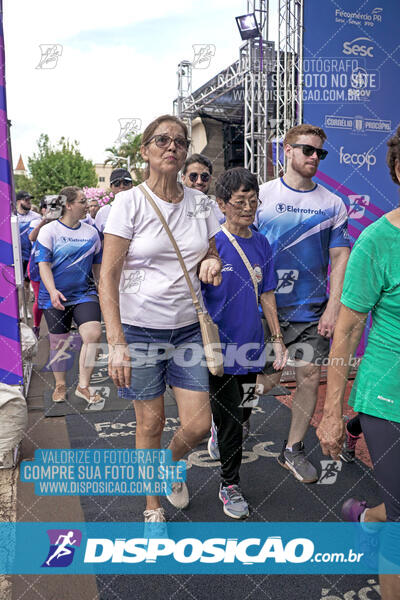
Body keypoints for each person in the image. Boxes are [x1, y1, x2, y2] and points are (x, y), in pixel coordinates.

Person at [99, 114, 222, 524]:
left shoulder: (200, 203)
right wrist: (116, 343)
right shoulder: (128, 202)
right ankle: (152, 507)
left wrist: (211, 263)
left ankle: (166, 466)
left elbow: (212, 251)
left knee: (200, 425)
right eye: (162, 140)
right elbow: (109, 276)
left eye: (180, 142)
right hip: (140, 330)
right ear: (145, 151)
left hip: (189, 329)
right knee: (151, 422)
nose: (172, 147)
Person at [317, 127, 400, 600]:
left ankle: (367, 516)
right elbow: (347, 331)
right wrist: (332, 411)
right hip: (388, 395)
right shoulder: (377, 241)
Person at [256, 124, 350, 483]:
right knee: (264, 382)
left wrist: (333, 307)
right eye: (307, 150)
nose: (314, 157)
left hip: (310, 311)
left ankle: (292, 449)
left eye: (319, 153)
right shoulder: (261, 196)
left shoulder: (332, 203)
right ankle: (230, 426)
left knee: (310, 375)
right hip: (264, 310)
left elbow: (340, 258)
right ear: (287, 151)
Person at [202, 167, 287, 519]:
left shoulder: (263, 243)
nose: (248, 208)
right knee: (233, 422)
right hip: (220, 348)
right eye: (240, 202)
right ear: (221, 204)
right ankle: (229, 484)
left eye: (253, 201)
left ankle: (219, 429)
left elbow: (267, 293)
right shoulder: (210, 242)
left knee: (247, 411)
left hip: (252, 344)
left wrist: (278, 340)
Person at [35, 186, 103, 404]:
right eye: (82, 201)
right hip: (54, 296)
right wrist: (53, 290)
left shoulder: (92, 232)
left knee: (93, 335)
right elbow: (43, 264)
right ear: (68, 205)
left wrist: (103, 289)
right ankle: (60, 384)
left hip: (84, 293)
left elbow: (98, 266)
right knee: (59, 343)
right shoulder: (49, 231)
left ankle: (83, 386)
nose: (87, 205)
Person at [27, 199, 50, 337]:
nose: (50, 210)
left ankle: (58, 331)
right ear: (42, 210)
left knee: (57, 298)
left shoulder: (60, 222)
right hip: (36, 264)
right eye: (46, 207)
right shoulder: (36, 222)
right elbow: (32, 237)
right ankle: (36, 326)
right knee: (39, 299)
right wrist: (44, 221)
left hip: (55, 265)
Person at [182, 153, 225, 224]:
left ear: (210, 179)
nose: (199, 181)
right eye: (193, 176)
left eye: (204, 176)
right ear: (183, 178)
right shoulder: (174, 207)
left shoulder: (219, 210)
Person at [16, 190, 37, 317]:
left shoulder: (36, 217)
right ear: (18, 201)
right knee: (17, 284)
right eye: (26, 200)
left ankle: (25, 308)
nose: (29, 202)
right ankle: (16, 309)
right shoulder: (12, 216)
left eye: (29, 200)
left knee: (26, 283)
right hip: (16, 255)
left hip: (30, 255)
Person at [94, 168, 133, 235]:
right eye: (117, 183)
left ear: (132, 185)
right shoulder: (103, 212)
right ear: (111, 187)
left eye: (125, 183)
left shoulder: (141, 209)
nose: (122, 186)